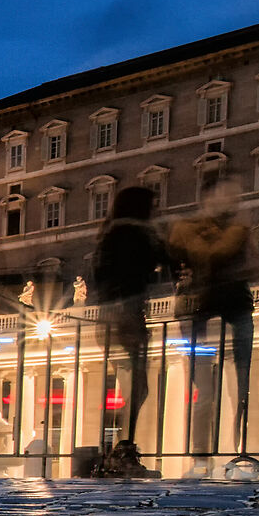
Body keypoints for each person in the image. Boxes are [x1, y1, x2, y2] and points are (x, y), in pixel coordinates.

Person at [167, 171, 256, 463]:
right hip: (202, 312)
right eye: (228, 193)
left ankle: (236, 453)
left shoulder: (234, 230)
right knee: (206, 390)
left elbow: (256, 265)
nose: (233, 199)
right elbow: (193, 261)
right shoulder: (196, 229)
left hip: (226, 310)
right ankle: (203, 457)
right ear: (209, 196)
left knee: (241, 387)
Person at [88, 185, 167, 463]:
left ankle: (123, 448)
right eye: (153, 205)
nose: (157, 210)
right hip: (125, 316)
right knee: (138, 388)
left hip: (111, 318)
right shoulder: (133, 234)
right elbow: (154, 262)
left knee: (134, 387)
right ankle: (123, 450)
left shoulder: (109, 234)